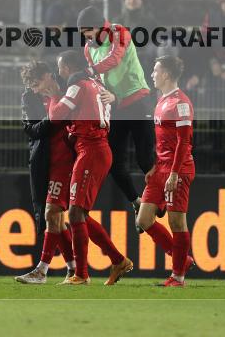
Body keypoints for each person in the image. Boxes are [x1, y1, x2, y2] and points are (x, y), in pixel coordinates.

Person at [44, 50, 134, 285]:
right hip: (96, 148)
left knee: (75, 213)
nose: (60, 71)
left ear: (69, 66)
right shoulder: (96, 83)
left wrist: (54, 95)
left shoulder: (77, 84)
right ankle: (117, 260)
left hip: (91, 150)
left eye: (61, 67)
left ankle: (81, 274)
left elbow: (55, 116)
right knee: (79, 214)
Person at [76, 6, 154, 212]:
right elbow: (98, 79)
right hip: (117, 105)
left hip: (137, 101)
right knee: (113, 160)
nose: (86, 38)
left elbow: (114, 58)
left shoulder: (120, 32)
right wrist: (109, 95)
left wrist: (89, 70)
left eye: (87, 32)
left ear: (99, 27)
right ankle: (136, 201)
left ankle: (157, 199)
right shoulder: (88, 48)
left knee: (145, 158)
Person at [14, 61, 76, 284]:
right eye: (30, 84)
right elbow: (31, 130)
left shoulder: (71, 88)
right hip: (43, 162)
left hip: (67, 162)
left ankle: (42, 270)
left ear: (49, 76)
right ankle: (75, 269)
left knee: (52, 214)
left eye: (36, 82)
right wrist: (52, 118)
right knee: (55, 219)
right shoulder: (29, 97)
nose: (33, 88)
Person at [137, 56, 196, 287]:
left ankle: (178, 276)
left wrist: (174, 172)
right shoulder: (162, 101)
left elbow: (184, 143)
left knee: (177, 222)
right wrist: (154, 165)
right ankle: (183, 259)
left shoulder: (181, 103)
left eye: (155, 70)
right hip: (160, 168)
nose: (152, 74)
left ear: (167, 74)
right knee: (143, 219)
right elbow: (162, 140)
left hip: (177, 169)